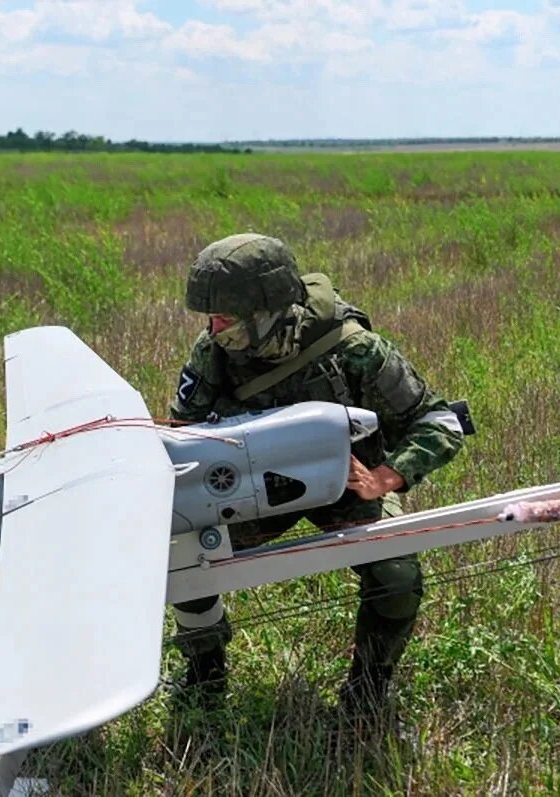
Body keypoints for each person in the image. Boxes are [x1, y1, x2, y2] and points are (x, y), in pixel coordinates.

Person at [169, 233, 464, 718]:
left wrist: (387, 478)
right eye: (211, 317)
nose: (213, 327)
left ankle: (367, 694)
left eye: (226, 318)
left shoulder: (354, 350)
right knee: (184, 556)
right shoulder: (215, 351)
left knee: (396, 575)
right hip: (253, 489)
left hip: (344, 487)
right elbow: (184, 434)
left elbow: (439, 421)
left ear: (265, 312)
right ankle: (205, 677)